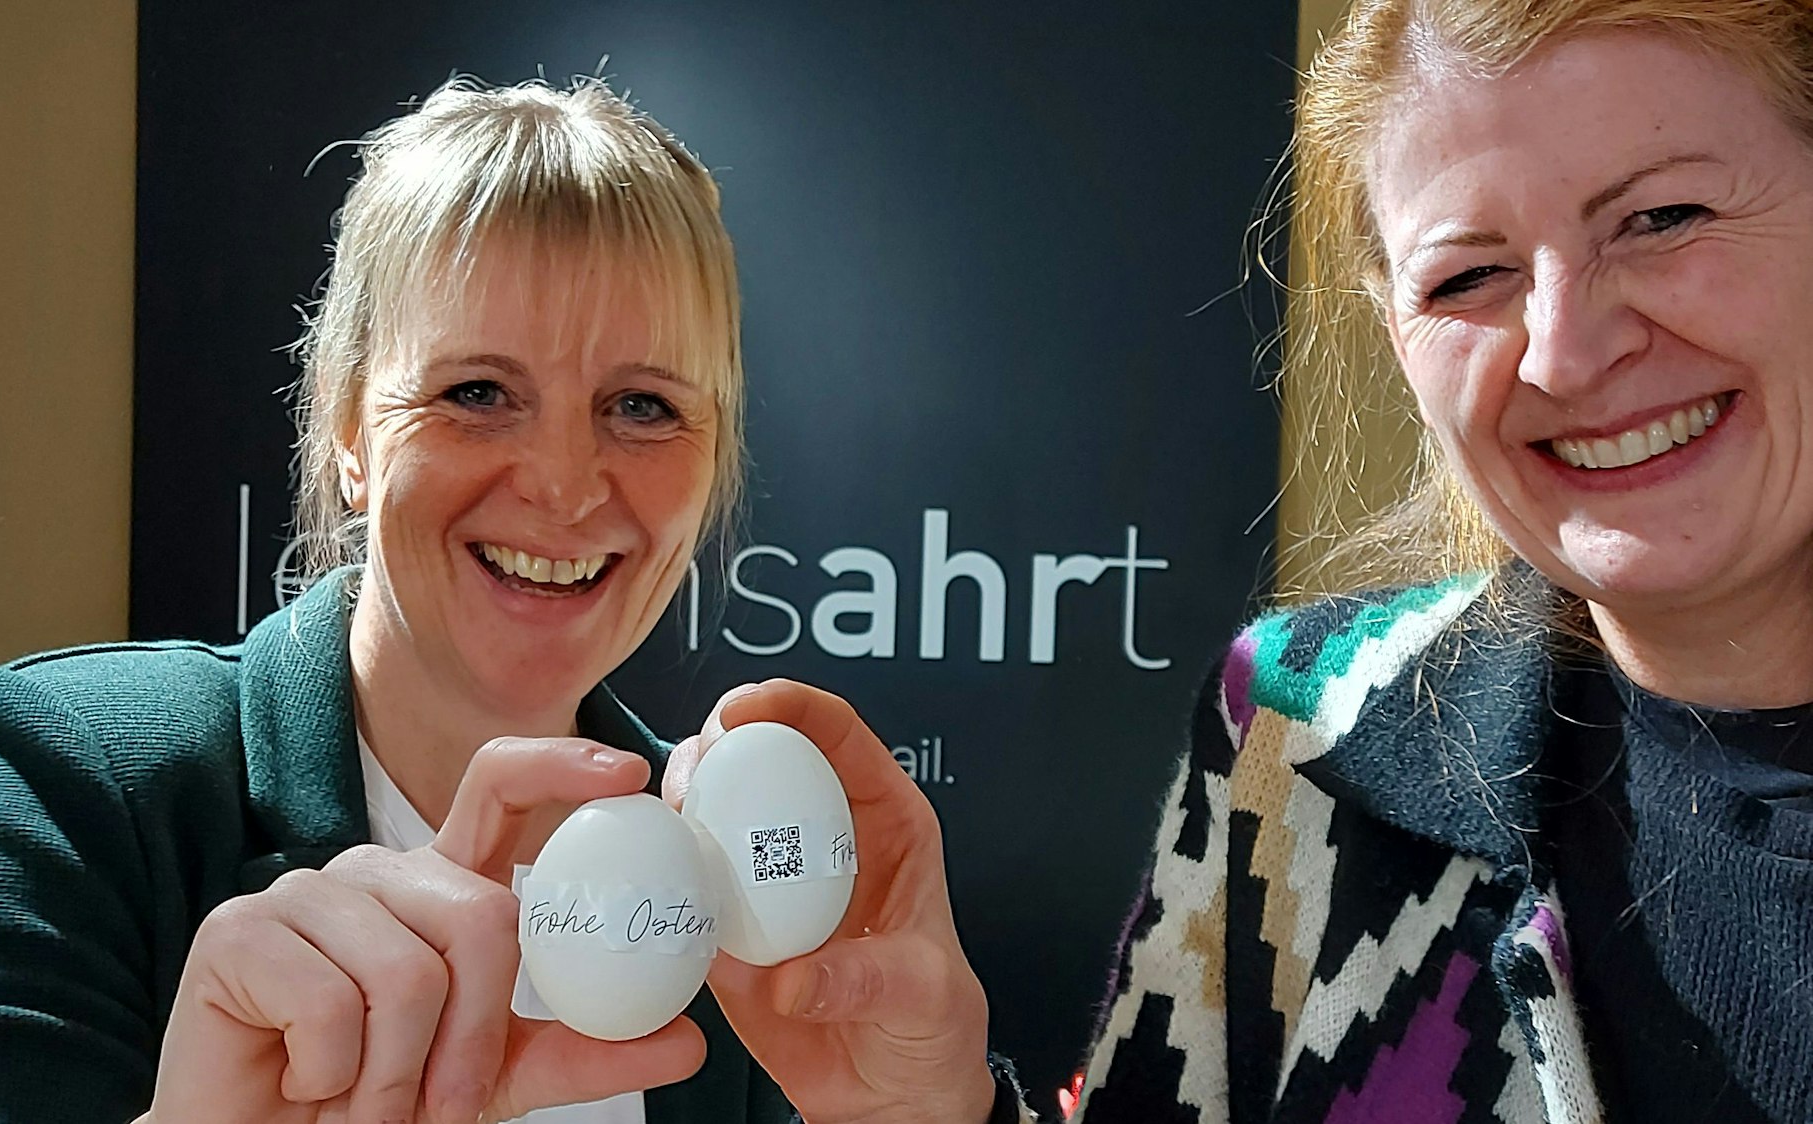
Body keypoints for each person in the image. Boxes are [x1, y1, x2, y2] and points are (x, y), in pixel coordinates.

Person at [673, 0, 1813, 1121]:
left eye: (1663, 217)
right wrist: (923, 1107)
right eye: (1468, 278)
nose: (1563, 349)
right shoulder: (1298, 735)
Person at [0, 76, 830, 1124]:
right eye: (477, 393)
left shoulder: (745, 895)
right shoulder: (63, 781)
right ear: (349, 430)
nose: (563, 482)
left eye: (642, 405)